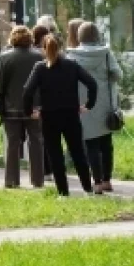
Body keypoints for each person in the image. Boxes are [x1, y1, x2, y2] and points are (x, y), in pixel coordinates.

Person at [22, 35, 98, 196]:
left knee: (55, 155)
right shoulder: (72, 65)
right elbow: (92, 83)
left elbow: (27, 91)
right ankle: (88, 189)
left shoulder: (40, 67)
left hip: (49, 116)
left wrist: (29, 111)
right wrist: (88, 105)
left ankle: (63, 192)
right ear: (61, 47)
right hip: (71, 114)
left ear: (43, 49)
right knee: (78, 152)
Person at [67, 21, 122, 194]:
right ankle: (107, 180)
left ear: (79, 37)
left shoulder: (72, 56)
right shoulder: (106, 54)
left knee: (91, 144)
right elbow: (118, 75)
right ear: (97, 35)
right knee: (106, 144)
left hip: (84, 105)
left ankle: (96, 182)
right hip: (105, 104)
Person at [0, 26, 45, 188]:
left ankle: (11, 180)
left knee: (13, 143)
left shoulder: (4, 57)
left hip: (11, 107)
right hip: (35, 107)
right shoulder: (40, 56)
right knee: (36, 141)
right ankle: (38, 180)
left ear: (12, 38)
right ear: (30, 39)